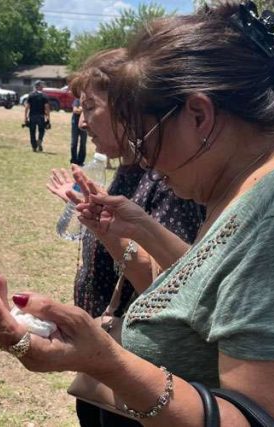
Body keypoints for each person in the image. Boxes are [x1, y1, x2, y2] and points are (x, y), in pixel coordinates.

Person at [0, 3, 274, 426]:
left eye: (144, 139)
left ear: (199, 115)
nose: (145, 161)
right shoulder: (245, 185)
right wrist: (137, 229)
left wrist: (107, 363)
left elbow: (265, 418)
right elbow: (205, 297)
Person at [48, 48, 204, 426]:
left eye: (90, 107)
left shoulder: (167, 180)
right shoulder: (129, 171)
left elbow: (169, 285)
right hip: (109, 352)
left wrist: (107, 230)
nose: (81, 121)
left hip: (140, 367)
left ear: (126, 107)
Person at [24, 80, 50, 152]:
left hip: (32, 116)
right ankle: (39, 141)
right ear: (39, 86)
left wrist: (25, 117)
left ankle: (34, 147)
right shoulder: (44, 96)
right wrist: (48, 118)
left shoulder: (31, 95)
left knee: (32, 132)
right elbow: (47, 107)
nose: (43, 86)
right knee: (41, 130)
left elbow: (27, 107)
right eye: (42, 85)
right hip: (41, 116)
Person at [70, 97, 88, 166]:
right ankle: (74, 160)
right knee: (74, 143)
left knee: (83, 143)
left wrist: (81, 109)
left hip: (84, 124)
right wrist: (83, 109)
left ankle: (81, 161)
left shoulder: (87, 101)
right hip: (75, 123)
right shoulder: (77, 100)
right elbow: (75, 110)